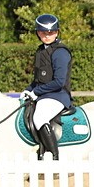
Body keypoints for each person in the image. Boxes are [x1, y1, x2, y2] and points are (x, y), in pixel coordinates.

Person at [21, 14, 73, 160]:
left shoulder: (60, 52)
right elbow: (38, 79)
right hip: (44, 95)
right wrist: (28, 89)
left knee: (39, 117)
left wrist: (36, 91)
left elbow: (59, 82)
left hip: (58, 95)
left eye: (51, 32)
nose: (47, 35)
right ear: (38, 33)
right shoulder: (40, 51)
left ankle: (54, 156)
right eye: (44, 32)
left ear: (57, 32)